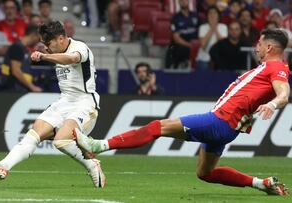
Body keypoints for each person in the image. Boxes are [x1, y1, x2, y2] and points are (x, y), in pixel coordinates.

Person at [74, 29, 290, 195]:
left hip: (219, 122)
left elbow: (284, 93)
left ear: (270, 47)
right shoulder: (266, 68)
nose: (256, 47)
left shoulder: (276, 68)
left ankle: (99, 145)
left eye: (260, 44)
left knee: (158, 127)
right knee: (205, 173)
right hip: (225, 127)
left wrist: (273, 104)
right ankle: (262, 184)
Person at [0, 21, 106, 188]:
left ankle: (91, 164)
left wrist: (44, 56)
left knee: (60, 141)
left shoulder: (80, 48)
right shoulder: (55, 50)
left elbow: (71, 59)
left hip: (84, 104)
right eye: (44, 45)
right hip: (64, 102)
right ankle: (3, 166)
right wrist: (47, 54)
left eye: (48, 44)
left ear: (60, 38)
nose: (47, 48)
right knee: (33, 134)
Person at [0, 24, 41, 92]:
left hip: (20, 88)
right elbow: (16, 71)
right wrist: (32, 87)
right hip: (13, 89)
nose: (38, 42)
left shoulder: (25, 50)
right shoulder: (17, 48)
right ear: (33, 35)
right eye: (38, 39)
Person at [165, 0, 199, 69]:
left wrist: (195, 44)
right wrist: (190, 45)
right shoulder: (175, 18)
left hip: (196, 44)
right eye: (181, 0)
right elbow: (176, 38)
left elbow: (201, 32)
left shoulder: (196, 16)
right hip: (181, 45)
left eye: (185, 0)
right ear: (179, 2)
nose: (183, 2)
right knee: (175, 49)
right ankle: (176, 68)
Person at [195, 6, 227, 70]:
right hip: (204, 59)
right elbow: (203, 45)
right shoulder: (202, 27)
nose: (212, 15)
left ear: (219, 16)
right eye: (210, 13)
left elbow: (223, 45)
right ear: (207, 16)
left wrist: (215, 28)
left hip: (219, 58)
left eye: (215, 13)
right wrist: (211, 28)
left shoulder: (223, 27)